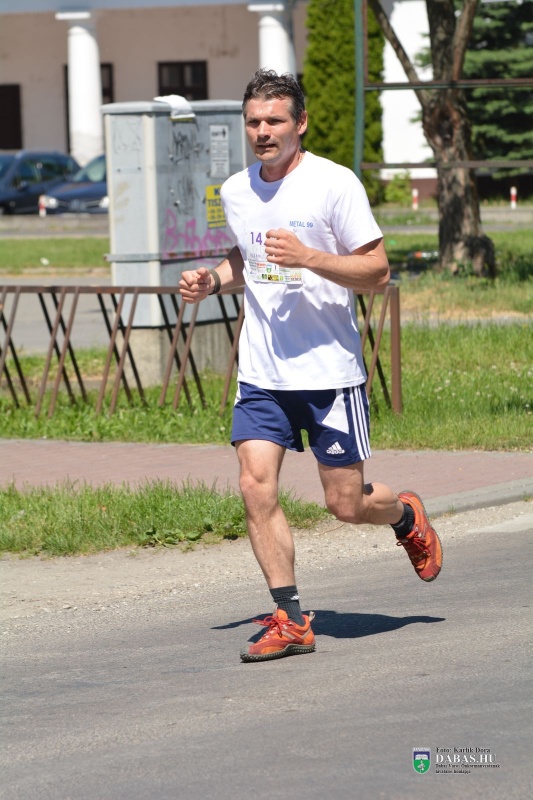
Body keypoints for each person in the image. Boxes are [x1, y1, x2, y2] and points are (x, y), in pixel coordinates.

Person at [179, 69, 442, 663]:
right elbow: (247, 256)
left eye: (275, 121)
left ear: (300, 123)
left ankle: (405, 515)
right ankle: (290, 618)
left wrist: (309, 257)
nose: (263, 132)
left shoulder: (334, 184)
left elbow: (377, 272)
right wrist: (212, 280)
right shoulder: (237, 190)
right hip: (263, 372)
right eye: (253, 122)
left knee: (346, 505)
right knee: (254, 484)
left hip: (329, 373)